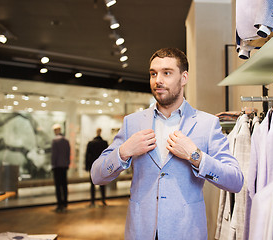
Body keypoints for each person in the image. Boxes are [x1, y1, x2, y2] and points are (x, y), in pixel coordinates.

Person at [91, 48, 244, 240]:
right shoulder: (133, 122)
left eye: (167, 73)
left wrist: (195, 156)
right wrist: (123, 152)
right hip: (140, 232)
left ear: (184, 77)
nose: (158, 80)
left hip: (186, 232)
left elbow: (235, 181)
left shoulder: (207, 124)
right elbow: (97, 175)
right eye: (153, 74)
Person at [85, 128, 108, 207]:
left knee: (92, 184)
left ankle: (93, 201)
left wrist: (87, 166)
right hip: (101, 165)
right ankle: (103, 200)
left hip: (93, 166)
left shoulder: (91, 143)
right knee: (102, 184)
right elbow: (107, 155)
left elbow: (87, 156)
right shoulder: (104, 143)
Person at [51, 124, 70, 213]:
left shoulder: (55, 141)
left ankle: (60, 204)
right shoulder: (66, 140)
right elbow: (68, 153)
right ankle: (65, 202)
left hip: (57, 166)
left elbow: (54, 155)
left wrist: (53, 164)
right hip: (64, 166)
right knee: (64, 185)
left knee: (58, 186)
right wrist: (67, 163)